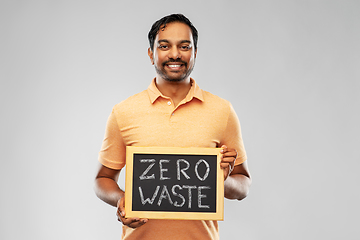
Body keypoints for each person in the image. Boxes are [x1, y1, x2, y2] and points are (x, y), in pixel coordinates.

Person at [94, 13, 251, 240]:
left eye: (184, 46)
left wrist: (222, 181)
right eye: (165, 46)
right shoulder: (124, 112)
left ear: (195, 52)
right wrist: (121, 199)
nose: (175, 54)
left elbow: (243, 186)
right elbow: (102, 179)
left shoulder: (222, 111)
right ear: (151, 54)